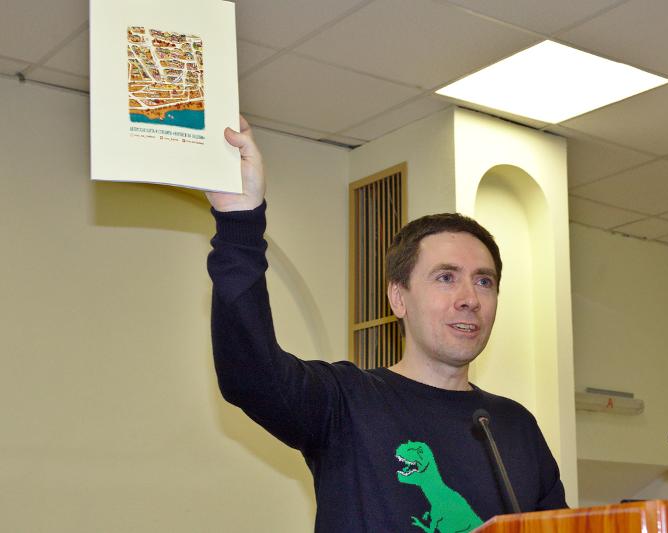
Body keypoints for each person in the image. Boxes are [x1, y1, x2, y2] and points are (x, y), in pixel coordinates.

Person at [206, 118, 566, 532]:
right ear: (398, 297)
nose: (469, 298)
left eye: (484, 281)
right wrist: (239, 222)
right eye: (446, 277)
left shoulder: (515, 426)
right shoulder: (347, 402)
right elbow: (249, 374)